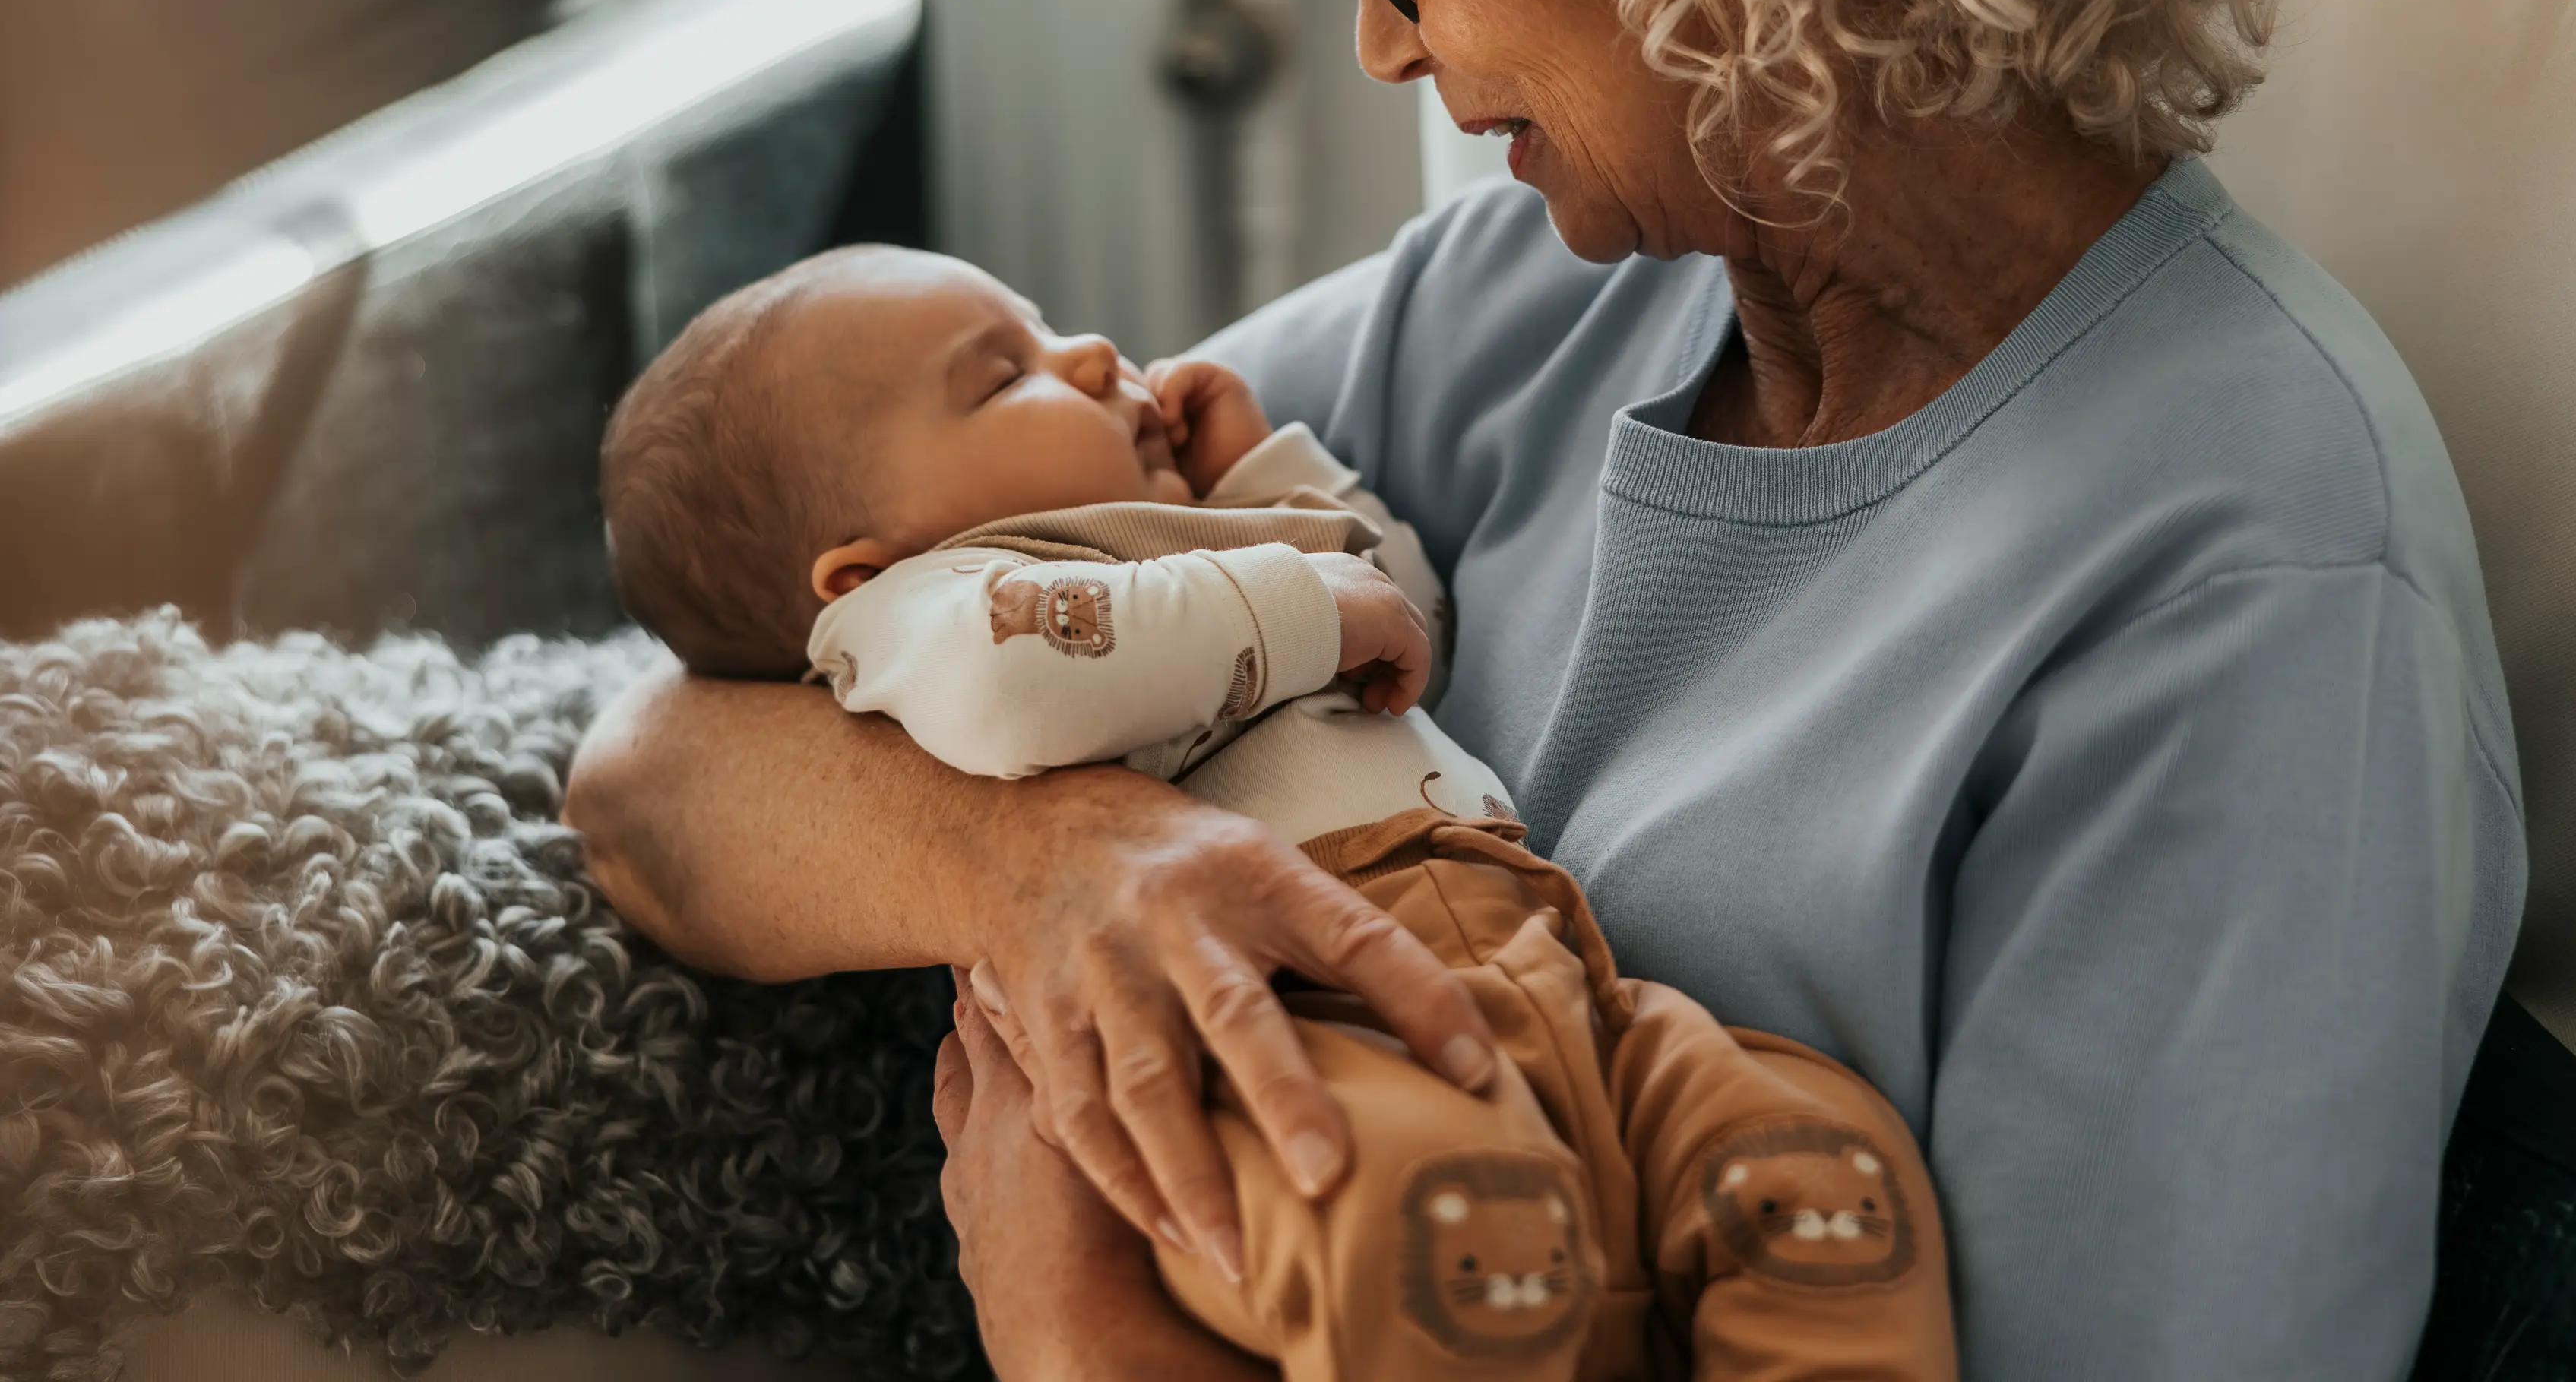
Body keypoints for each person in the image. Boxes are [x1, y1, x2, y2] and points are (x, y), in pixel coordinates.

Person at [564, 0, 2528, 1374]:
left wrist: (1084, 1347)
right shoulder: (1543, 290)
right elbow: (656, 777)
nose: (1381, 38)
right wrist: (1038, 868)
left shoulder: (2253, 579)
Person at [593, 244, 1959, 1379]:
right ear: (858, 568)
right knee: (1414, 1218)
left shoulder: (1192, 545)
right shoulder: (932, 614)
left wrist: (1266, 488)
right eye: (1002, 376)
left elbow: (1398, 624)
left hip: (1539, 960)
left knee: (1809, 1151)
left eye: (1051, 327)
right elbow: (1032, 682)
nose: (1087, 356)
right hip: (1297, 1032)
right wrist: (1293, 587)